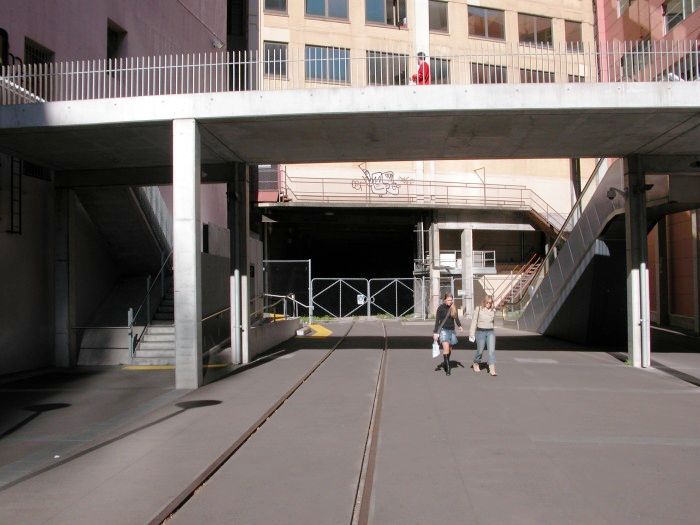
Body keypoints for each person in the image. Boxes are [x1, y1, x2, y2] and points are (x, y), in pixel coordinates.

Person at [433, 292, 462, 375]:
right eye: (449, 300)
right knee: (446, 348)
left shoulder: (453, 307)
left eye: (451, 300)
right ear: (444, 300)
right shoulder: (440, 308)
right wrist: (435, 332)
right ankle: (448, 369)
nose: (450, 301)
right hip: (443, 330)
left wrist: (459, 325)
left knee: (450, 350)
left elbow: (456, 318)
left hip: (452, 330)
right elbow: (437, 321)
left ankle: (446, 362)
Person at [469, 295, 497, 376]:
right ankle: (476, 362)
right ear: (484, 301)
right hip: (480, 331)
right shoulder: (479, 308)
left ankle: (492, 368)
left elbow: (493, 322)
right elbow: (474, 321)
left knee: (491, 351)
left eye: (490, 303)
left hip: (490, 332)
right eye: (487, 302)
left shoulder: (493, 310)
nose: (489, 304)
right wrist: (471, 333)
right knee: (480, 350)